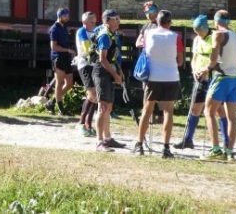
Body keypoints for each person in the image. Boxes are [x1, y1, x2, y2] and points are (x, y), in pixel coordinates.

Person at [133, 9, 183, 158]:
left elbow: (141, 46)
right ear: (170, 22)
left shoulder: (148, 34)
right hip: (170, 77)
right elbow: (180, 61)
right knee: (168, 112)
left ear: (157, 21)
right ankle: (166, 148)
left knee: (147, 111)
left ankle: (140, 144)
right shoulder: (176, 37)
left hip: (153, 77)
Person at [175, 14, 224, 149]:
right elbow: (194, 57)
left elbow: (216, 58)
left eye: (199, 30)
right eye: (195, 30)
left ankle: (226, 141)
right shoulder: (196, 39)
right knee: (195, 108)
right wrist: (194, 71)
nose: (197, 33)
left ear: (205, 27)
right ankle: (188, 139)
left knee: (219, 110)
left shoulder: (214, 38)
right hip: (199, 77)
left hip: (212, 77)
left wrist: (205, 70)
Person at [205, 9, 236, 161]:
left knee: (209, 112)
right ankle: (229, 151)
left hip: (222, 78)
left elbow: (213, 59)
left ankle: (215, 149)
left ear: (216, 21)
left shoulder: (218, 34)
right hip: (235, 78)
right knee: (231, 117)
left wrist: (206, 69)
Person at [92, 9, 126, 151]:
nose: (118, 21)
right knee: (103, 107)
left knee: (109, 107)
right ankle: (99, 142)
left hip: (108, 71)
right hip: (101, 71)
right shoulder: (105, 36)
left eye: (119, 18)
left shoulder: (112, 34)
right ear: (107, 21)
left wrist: (120, 72)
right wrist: (115, 75)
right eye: (116, 19)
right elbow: (103, 59)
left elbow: (112, 57)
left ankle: (108, 138)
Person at [73, 11, 99, 137]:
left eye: (95, 21)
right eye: (91, 21)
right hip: (84, 65)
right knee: (92, 93)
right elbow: (88, 48)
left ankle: (89, 124)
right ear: (84, 22)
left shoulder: (95, 31)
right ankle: (81, 123)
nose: (94, 23)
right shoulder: (81, 31)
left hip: (94, 65)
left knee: (96, 95)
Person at [46, 8, 76, 113]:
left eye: (68, 15)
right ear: (60, 16)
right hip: (58, 57)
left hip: (66, 58)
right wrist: (67, 50)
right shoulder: (54, 29)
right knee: (59, 82)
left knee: (69, 84)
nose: (67, 18)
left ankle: (52, 102)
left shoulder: (64, 27)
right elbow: (53, 47)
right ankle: (61, 109)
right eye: (65, 16)